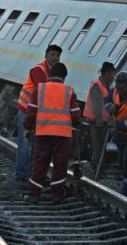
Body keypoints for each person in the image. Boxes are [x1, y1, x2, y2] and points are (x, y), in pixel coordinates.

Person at [23, 63, 81, 204]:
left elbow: (31, 111)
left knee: (40, 162)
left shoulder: (40, 89)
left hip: (43, 131)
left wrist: (28, 127)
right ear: (64, 77)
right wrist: (75, 126)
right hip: (62, 134)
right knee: (60, 164)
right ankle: (57, 194)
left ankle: (34, 194)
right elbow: (75, 114)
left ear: (49, 75)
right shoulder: (69, 91)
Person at [15, 44, 62, 182]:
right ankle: (21, 175)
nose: (55, 58)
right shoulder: (39, 70)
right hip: (26, 111)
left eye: (57, 56)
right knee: (25, 145)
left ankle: (32, 175)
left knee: (36, 146)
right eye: (52, 55)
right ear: (46, 56)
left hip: (37, 113)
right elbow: (43, 91)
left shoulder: (52, 72)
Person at [82, 62, 116, 173]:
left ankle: (98, 166)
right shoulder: (97, 85)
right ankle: (97, 167)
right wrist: (101, 121)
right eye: (112, 74)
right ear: (106, 73)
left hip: (101, 122)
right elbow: (97, 107)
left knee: (100, 146)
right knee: (98, 146)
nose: (113, 77)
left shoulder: (105, 85)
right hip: (96, 122)